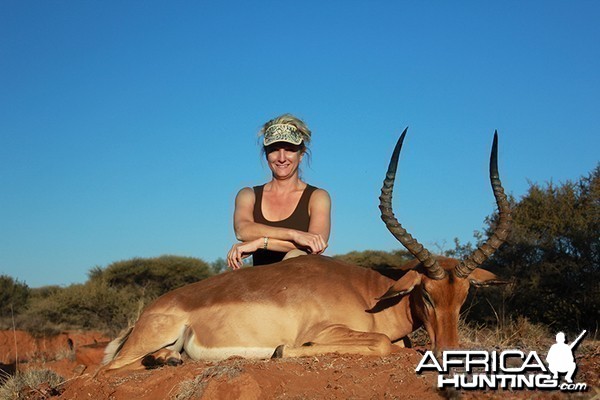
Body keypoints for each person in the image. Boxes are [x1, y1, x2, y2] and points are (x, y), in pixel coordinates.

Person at [227, 114, 331, 269]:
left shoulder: (318, 196)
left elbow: (315, 245)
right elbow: (243, 231)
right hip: (261, 285)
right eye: (274, 150)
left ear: (301, 155)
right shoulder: (248, 195)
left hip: (303, 285)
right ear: (266, 155)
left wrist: (260, 242)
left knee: (295, 256)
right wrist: (294, 235)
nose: (281, 158)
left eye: (289, 149)